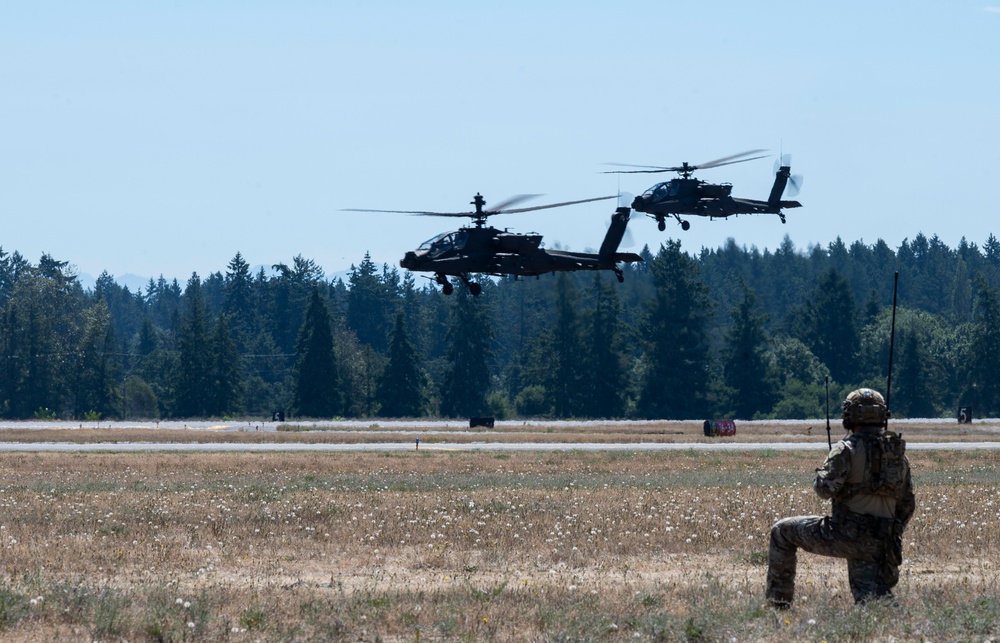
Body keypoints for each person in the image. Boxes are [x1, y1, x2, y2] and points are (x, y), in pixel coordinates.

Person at [765, 388, 916, 608]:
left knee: (782, 532)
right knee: (872, 602)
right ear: (882, 416)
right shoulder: (899, 457)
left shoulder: (846, 449)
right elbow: (907, 505)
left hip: (847, 534)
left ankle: (777, 604)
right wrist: (887, 532)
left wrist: (823, 472)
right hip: (882, 541)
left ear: (850, 416)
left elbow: (824, 490)